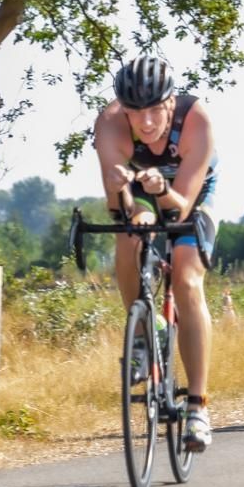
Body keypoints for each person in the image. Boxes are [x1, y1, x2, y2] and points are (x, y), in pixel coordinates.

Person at [93, 54, 218, 452]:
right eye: (135, 112)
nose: (145, 123)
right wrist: (122, 192)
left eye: (154, 110)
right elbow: (119, 208)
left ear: (170, 103)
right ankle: (145, 332)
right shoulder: (109, 124)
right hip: (142, 191)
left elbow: (179, 210)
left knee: (186, 277)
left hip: (190, 194)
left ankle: (197, 406)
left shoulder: (196, 122)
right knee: (129, 239)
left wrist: (162, 189)